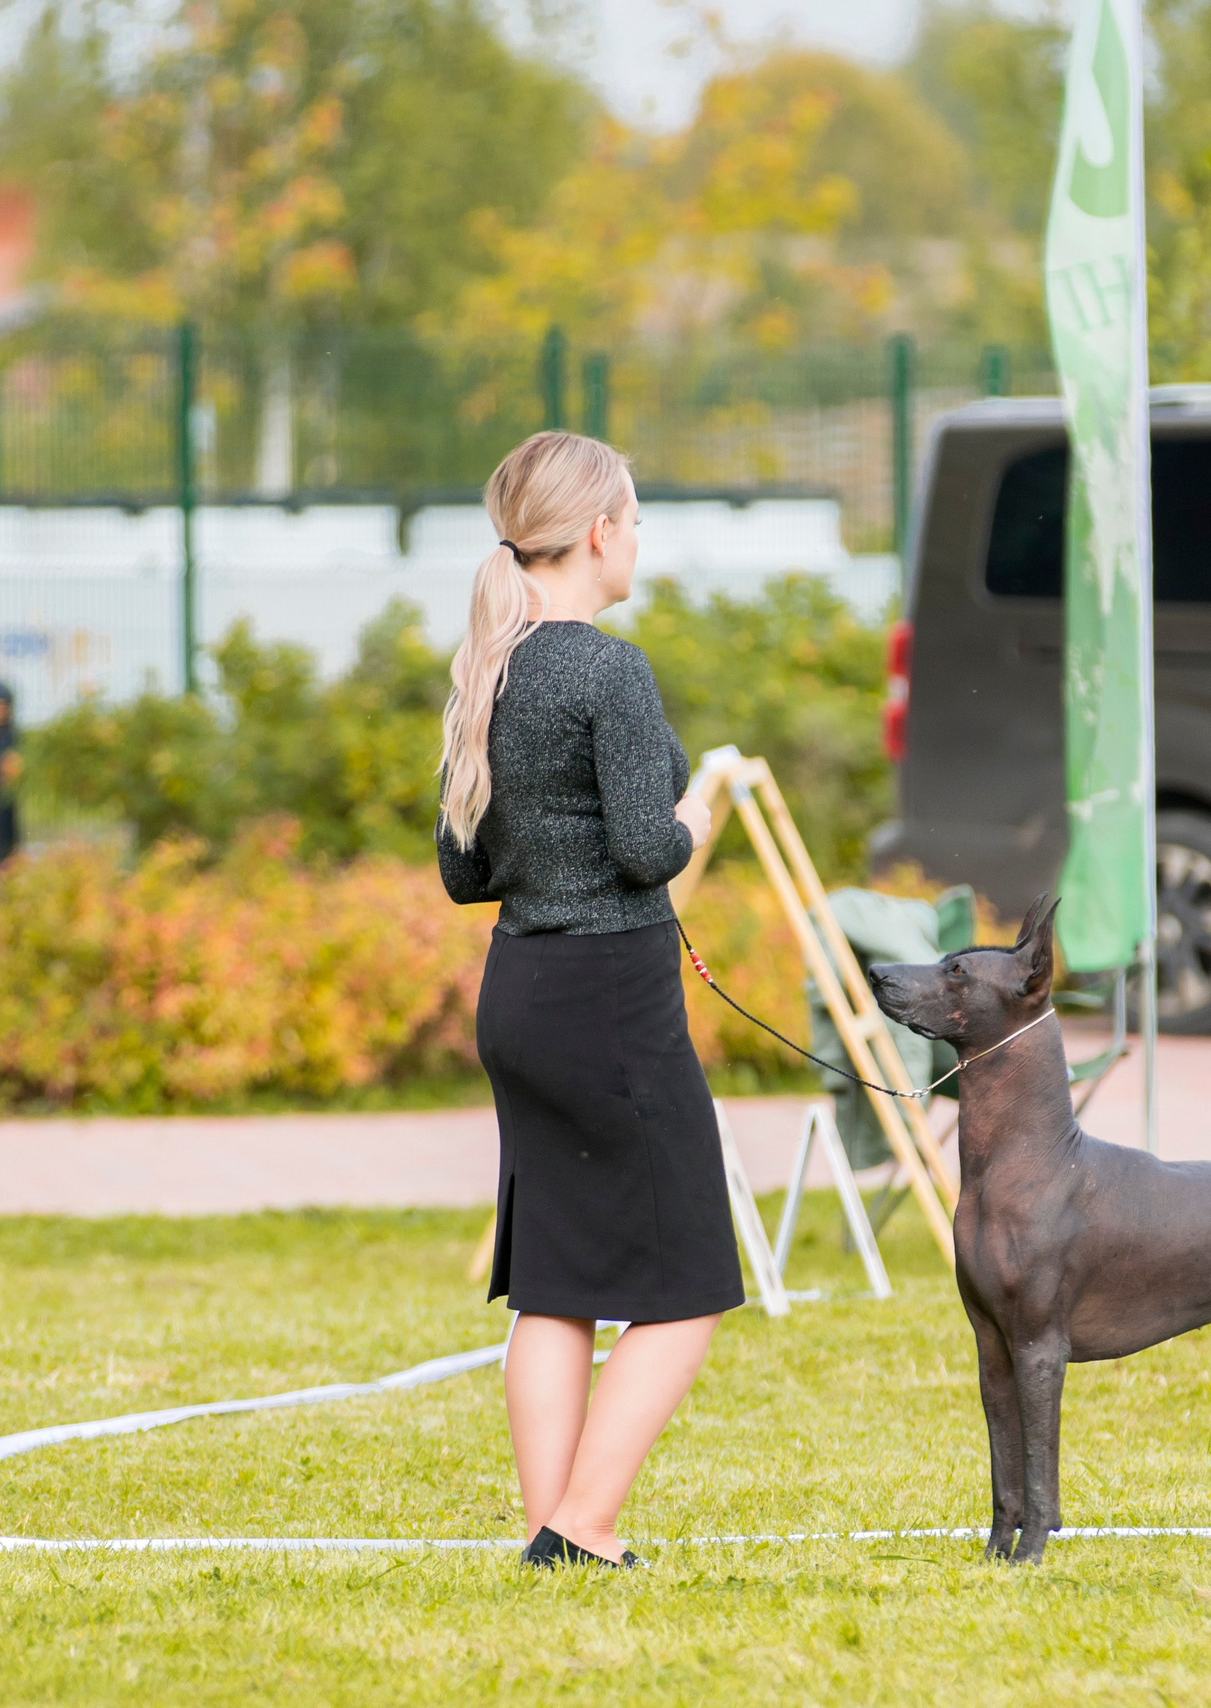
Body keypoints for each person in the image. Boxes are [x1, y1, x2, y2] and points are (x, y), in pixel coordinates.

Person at [433, 430, 739, 1567]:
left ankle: (547, 1529)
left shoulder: (489, 667)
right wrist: (697, 818)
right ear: (601, 532)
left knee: (554, 1285)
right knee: (691, 1277)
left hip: (520, 994)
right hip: (611, 996)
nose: (641, 537)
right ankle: (585, 1520)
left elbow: (464, 871)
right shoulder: (608, 668)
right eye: (639, 517)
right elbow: (643, 846)